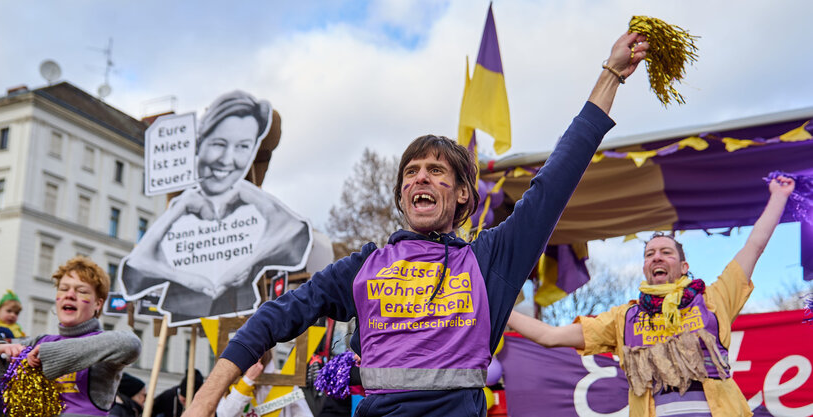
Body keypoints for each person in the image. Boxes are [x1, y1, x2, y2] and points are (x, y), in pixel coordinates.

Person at [184, 32, 649, 417]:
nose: (421, 176)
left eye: (436, 170)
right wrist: (204, 402)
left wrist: (609, 74)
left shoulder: (489, 261)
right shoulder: (363, 266)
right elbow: (273, 318)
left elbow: (559, 176)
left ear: (463, 193)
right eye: (411, 171)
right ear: (403, 194)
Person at [506, 176, 796, 417]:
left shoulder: (712, 299)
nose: (657, 256)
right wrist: (497, 305)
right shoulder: (624, 319)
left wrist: (779, 196)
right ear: (646, 267)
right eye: (650, 254)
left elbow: (754, 247)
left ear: (683, 266)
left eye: (666, 252)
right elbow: (550, 336)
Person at [121, 91, 312, 324]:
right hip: (185, 309)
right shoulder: (183, 200)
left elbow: (296, 237)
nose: (227, 159)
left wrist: (247, 261)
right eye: (219, 144)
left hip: (242, 312)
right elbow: (135, 268)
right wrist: (176, 213)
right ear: (200, 143)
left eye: (243, 146)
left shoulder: (251, 203)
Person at [0, 256, 142, 416]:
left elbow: (130, 343)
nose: (69, 295)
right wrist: (0, 348)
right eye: (63, 289)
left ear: (98, 304)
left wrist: (49, 355)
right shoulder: (39, 341)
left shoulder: (102, 345)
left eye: (81, 291)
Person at [216, 357, 313, 417]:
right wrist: (246, 382)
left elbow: (303, 414)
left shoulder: (284, 381)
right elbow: (224, 415)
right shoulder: (233, 381)